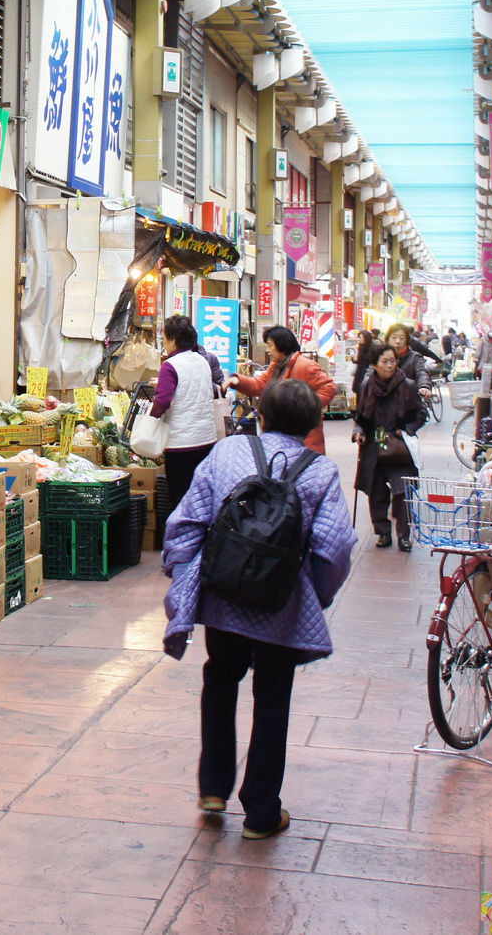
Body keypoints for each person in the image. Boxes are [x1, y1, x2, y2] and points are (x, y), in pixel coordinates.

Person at [162, 379, 356, 841]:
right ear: (312, 425)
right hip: (281, 604)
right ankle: (261, 813)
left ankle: (213, 789)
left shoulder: (227, 453)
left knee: (220, 678)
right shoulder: (320, 472)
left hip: (224, 595)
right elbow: (334, 549)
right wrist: (316, 595)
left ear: (261, 416)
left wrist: (183, 573)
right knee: (272, 698)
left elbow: (186, 519)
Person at [355, 347, 427, 549]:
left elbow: (421, 414)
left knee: (402, 493)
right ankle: (383, 532)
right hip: (373, 447)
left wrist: (407, 430)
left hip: (399, 449)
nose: (389, 365)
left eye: (393, 361)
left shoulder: (408, 385)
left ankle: (404, 536)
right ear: (374, 364)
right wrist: (359, 430)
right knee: (376, 493)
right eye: (384, 361)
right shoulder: (367, 386)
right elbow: (360, 416)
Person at [227, 326, 335, 453]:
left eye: (270, 346)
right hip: (280, 434)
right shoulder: (276, 367)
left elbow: (329, 388)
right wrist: (238, 381)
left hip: (303, 436)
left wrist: (304, 407)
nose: (268, 351)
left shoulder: (305, 366)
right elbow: (260, 385)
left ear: (282, 345)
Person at [149, 315, 220, 503]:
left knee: (180, 499)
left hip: (181, 444)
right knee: (201, 497)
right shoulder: (202, 361)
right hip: (206, 439)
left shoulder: (170, 365)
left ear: (173, 340)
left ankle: (182, 532)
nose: (163, 343)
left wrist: (150, 419)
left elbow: (163, 401)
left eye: (164, 338)